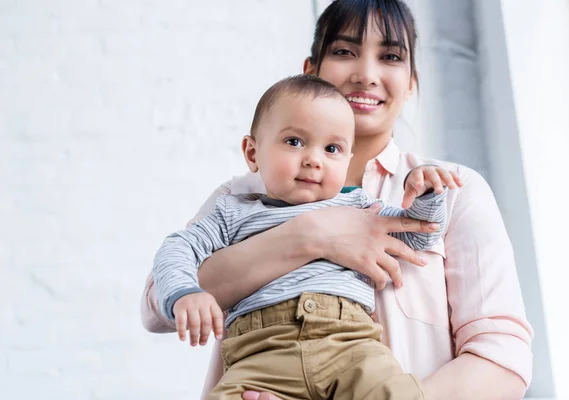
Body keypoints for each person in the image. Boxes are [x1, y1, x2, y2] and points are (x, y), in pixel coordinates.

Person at [141, 1, 534, 399]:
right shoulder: (241, 196)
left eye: (390, 57)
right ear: (309, 72)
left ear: (411, 80)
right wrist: (311, 235)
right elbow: (156, 305)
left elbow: (502, 357)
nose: (366, 75)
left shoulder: (449, 190)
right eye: (344, 52)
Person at [152, 74, 456, 399]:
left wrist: (426, 194)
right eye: (294, 142)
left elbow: (417, 234)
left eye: (332, 148)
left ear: (348, 160)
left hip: (351, 347)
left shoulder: (360, 207)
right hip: (260, 355)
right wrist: (185, 292)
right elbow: (177, 247)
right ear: (252, 153)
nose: (313, 159)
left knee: (395, 392)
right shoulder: (231, 211)